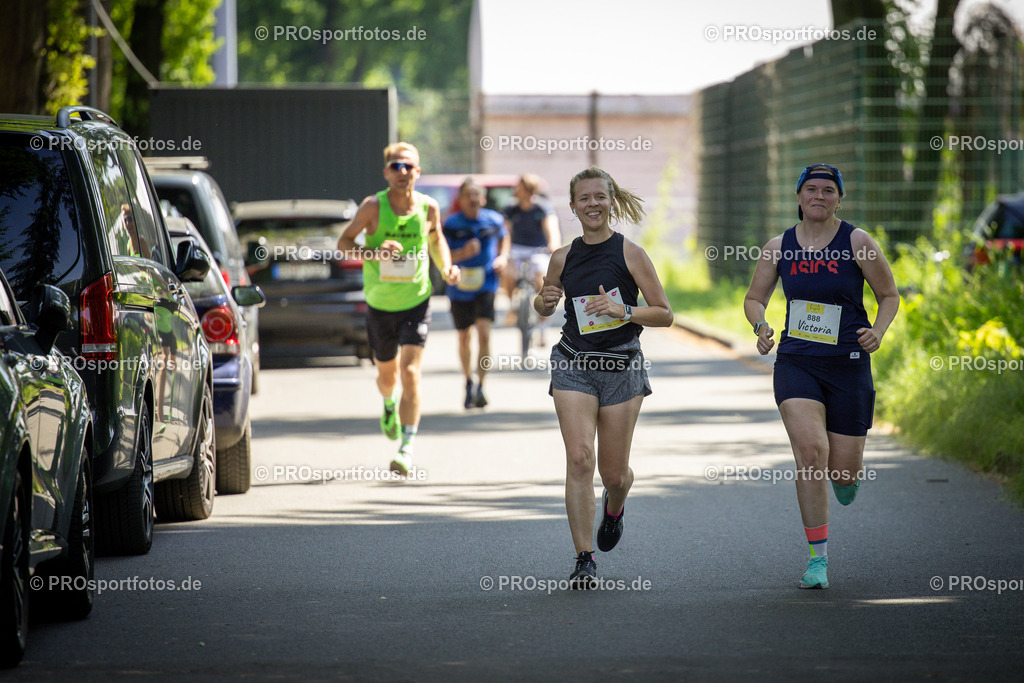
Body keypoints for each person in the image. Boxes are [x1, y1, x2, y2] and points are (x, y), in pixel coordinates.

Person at [743, 163, 899, 590]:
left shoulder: (857, 241)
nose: (819, 196)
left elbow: (888, 295)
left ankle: (847, 476)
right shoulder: (779, 246)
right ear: (798, 196)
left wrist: (878, 331)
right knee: (812, 454)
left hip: (848, 363)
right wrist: (761, 326)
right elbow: (754, 298)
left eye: (828, 190)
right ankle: (818, 560)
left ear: (839, 199)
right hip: (797, 361)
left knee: (842, 472)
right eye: (811, 189)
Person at [535, 166, 673, 589]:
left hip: (620, 366)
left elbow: (664, 314)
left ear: (611, 202)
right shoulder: (562, 257)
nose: (592, 204)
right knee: (580, 459)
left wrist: (624, 311)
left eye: (600, 196)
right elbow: (544, 304)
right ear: (573, 206)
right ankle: (584, 559)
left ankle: (615, 505)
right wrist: (544, 300)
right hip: (573, 363)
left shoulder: (631, 253)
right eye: (584, 198)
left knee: (614, 474)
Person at [338, 142, 460, 475]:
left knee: (410, 373)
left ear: (418, 172)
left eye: (408, 166)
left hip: (416, 301)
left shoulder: (429, 208)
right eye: (395, 166)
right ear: (386, 172)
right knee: (387, 376)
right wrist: (375, 253)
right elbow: (344, 243)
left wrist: (446, 268)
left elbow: (436, 240)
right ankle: (388, 403)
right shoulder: (372, 207)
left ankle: (406, 448)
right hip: (380, 304)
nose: (402, 171)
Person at [443, 178, 510, 409]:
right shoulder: (451, 223)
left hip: (486, 284)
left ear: (482, 199)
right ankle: (468, 382)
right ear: (460, 199)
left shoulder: (494, 219)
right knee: (464, 337)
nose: (472, 199)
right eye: (467, 195)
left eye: (476, 195)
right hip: (459, 287)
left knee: (484, 335)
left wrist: (502, 257)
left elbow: (504, 237)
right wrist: (462, 253)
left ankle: (481, 385)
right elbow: (442, 255)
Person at [502, 174, 560, 332]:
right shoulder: (511, 209)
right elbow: (506, 234)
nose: (515, 190)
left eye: (519, 187)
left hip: (538, 249)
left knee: (543, 281)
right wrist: (504, 253)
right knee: (507, 274)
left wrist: (553, 245)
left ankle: (543, 324)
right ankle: (512, 306)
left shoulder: (542, 207)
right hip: (516, 249)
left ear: (528, 190)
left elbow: (551, 229)